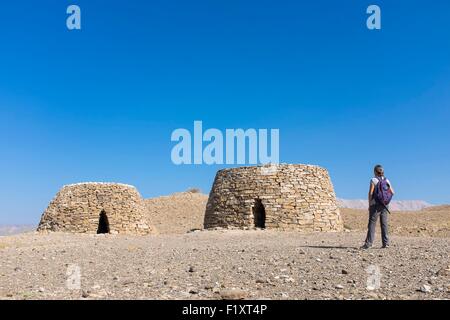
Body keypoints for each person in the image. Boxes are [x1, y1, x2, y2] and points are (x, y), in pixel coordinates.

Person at [361, 165, 395, 249]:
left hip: (375, 204)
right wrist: (386, 200)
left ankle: (368, 244)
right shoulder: (386, 180)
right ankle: (386, 243)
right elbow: (393, 192)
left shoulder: (373, 180)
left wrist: (369, 204)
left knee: (372, 224)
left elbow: (371, 193)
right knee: (384, 224)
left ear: (375, 172)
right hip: (385, 205)